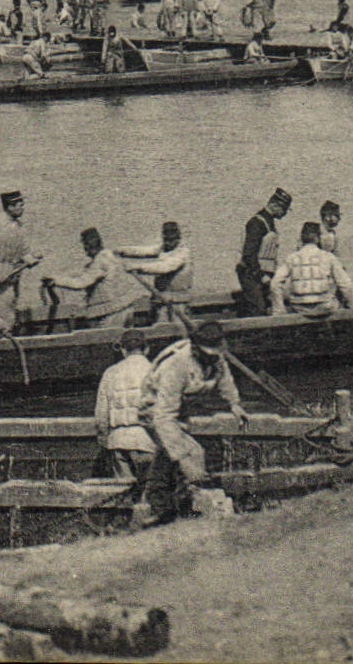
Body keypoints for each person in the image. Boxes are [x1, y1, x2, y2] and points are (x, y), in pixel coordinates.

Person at [137, 320, 248, 526]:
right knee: (188, 454)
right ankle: (169, 507)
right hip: (155, 411)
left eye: (215, 354)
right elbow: (163, 416)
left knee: (171, 458)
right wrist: (183, 455)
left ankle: (168, 508)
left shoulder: (216, 359)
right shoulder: (177, 364)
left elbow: (225, 379)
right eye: (208, 354)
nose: (213, 357)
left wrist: (234, 404)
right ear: (196, 349)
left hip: (180, 409)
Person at [0, 190, 42, 333]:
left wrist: (31, 259)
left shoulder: (18, 227)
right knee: (4, 318)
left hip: (13, 277)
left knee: (11, 313)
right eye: (19, 205)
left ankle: (7, 341)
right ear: (10, 206)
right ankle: (0, 345)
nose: (22, 208)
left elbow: (23, 252)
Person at [94, 330, 155, 487]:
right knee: (149, 493)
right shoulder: (155, 371)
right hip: (147, 440)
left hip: (118, 441)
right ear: (147, 348)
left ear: (122, 350)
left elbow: (101, 417)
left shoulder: (110, 373)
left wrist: (104, 443)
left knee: (124, 494)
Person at [118, 221, 194, 334]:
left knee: (177, 333)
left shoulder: (183, 252)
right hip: (160, 299)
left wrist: (137, 267)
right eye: (166, 235)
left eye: (173, 235)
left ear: (178, 236)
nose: (169, 239)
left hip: (176, 303)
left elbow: (165, 267)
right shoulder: (163, 248)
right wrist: (122, 251)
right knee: (158, 331)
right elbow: (143, 251)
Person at [271, 222, 353, 317]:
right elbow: (346, 285)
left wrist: (279, 309)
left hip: (299, 307)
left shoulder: (291, 258)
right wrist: (350, 305)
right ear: (318, 238)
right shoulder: (328, 257)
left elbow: (275, 283)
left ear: (301, 238)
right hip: (325, 306)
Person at [41, 227, 123, 325]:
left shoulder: (101, 260)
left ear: (91, 244)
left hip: (110, 311)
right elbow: (82, 275)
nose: (85, 249)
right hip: (118, 308)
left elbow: (81, 283)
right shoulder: (109, 256)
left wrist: (55, 281)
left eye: (85, 244)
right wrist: (57, 278)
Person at [237, 188, 291, 315]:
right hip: (251, 274)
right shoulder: (257, 223)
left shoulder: (268, 222)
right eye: (283, 209)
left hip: (264, 274)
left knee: (266, 308)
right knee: (258, 309)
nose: (284, 213)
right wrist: (261, 275)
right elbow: (249, 254)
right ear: (274, 204)